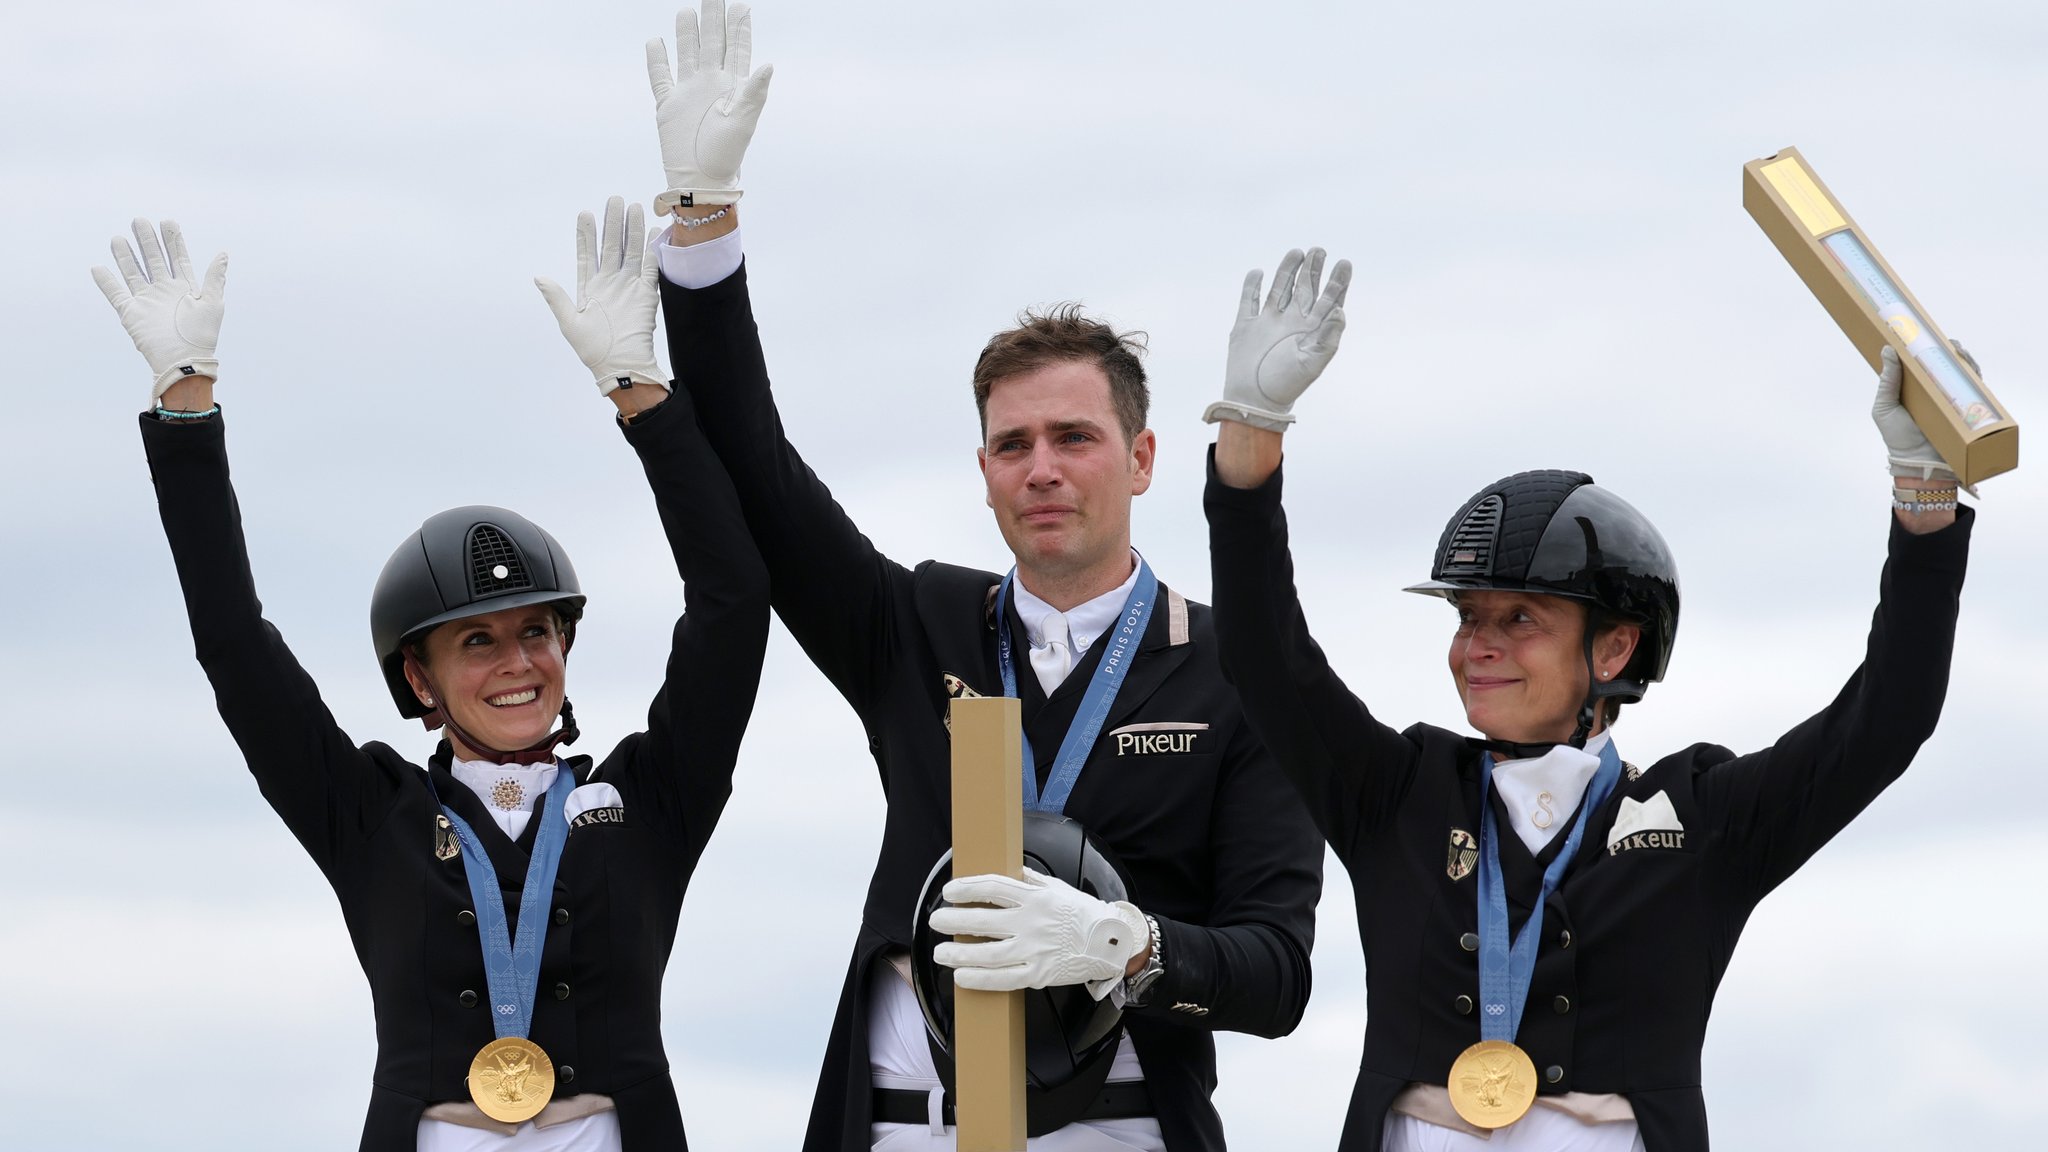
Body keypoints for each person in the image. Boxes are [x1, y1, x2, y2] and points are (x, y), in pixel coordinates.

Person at [629, 4, 1323, 1148]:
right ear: (984, 472)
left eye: (1073, 437)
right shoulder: (917, 625)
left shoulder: (1237, 680)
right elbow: (754, 467)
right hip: (905, 1127)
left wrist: (1127, 944)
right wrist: (702, 235)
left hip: (1121, 1127)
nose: (1040, 470)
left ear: (1143, 458)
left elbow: (1278, 975)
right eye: (1012, 445)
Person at [1200, 245, 1978, 1151]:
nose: (1475, 647)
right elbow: (1263, 658)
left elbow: (1887, 720)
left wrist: (1925, 505)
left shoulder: (1705, 821)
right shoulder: (1394, 793)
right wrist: (1251, 435)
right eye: (1467, 616)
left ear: (1615, 645)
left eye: (1519, 618)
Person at [95, 200, 770, 1152]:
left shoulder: (649, 799)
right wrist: (185, 408)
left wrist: (641, 396)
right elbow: (236, 648)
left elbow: (733, 603)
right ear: (418, 677)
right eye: (478, 643)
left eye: (535, 632)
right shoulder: (368, 814)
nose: (517, 663)